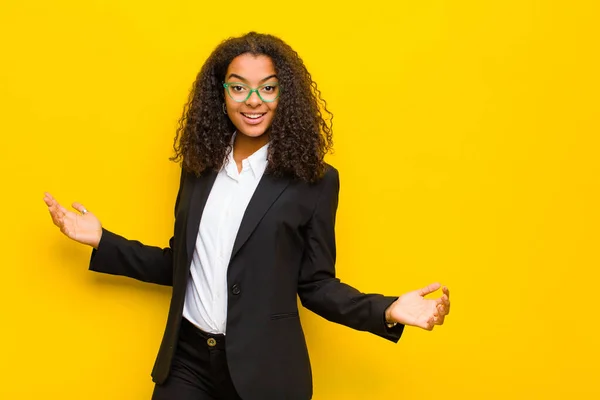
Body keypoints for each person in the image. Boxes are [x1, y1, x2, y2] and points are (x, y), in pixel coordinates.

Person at [43, 32, 451, 400]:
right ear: (221, 94)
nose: (252, 101)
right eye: (238, 88)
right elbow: (182, 264)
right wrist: (101, 240)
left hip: (266, 372)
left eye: (267, 88)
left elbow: (315, 285)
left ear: (283, 95)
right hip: (187, 362)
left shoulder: (315, 180)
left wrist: (387, 309)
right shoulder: (199, 166)